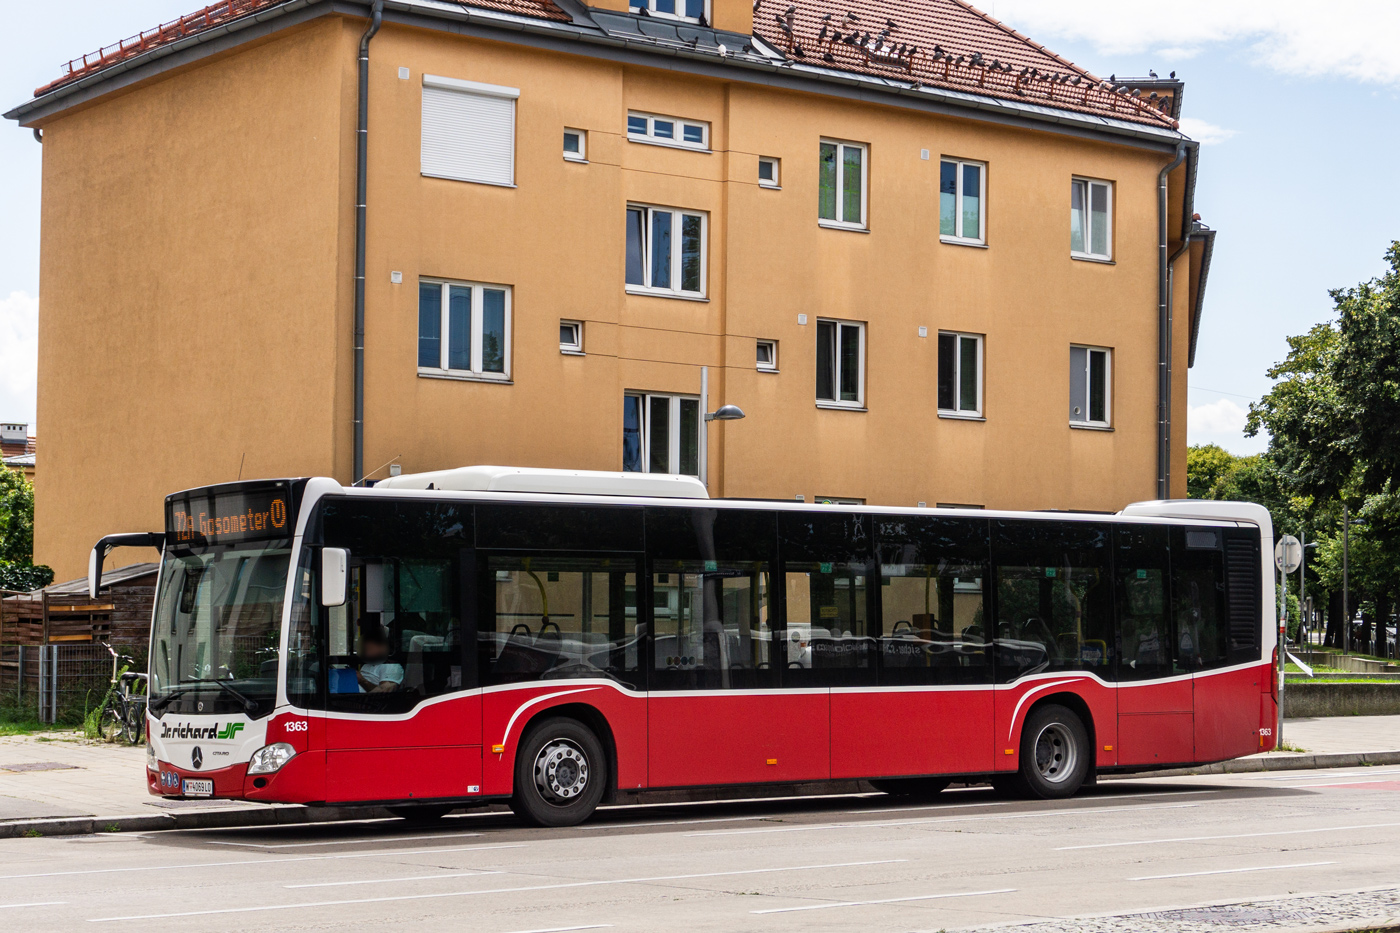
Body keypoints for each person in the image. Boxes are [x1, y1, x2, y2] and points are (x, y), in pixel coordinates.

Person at [357, 627, 403, 693]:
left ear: (383, 648)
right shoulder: (368, 664)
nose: (367, 653)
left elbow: (383, 692)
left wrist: (363, 681)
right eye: (365, 650)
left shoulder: (391, 666)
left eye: (371, 649)